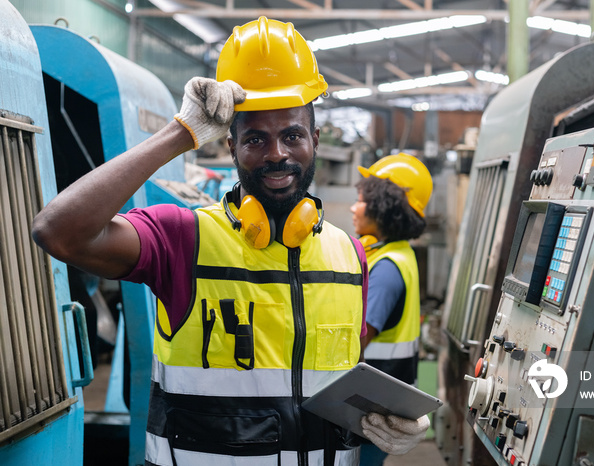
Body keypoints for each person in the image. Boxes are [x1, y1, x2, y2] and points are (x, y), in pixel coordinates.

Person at [32, 16, 428, 466]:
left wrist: (384, 422)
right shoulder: (183, 240)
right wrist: (181, 132)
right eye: (256, 138)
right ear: (232, 146)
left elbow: (335, 387)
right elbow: (57, 231)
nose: (277, 153)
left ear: (315, 141)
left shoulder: (349, 254)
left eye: (292, 135)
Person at [350, 153, 433, 465]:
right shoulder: (398, 253)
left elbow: (355, 342)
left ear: (383, 207)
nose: (353, 208)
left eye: (360, 200)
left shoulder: (385, 269)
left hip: (370, 414)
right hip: (381, 407)